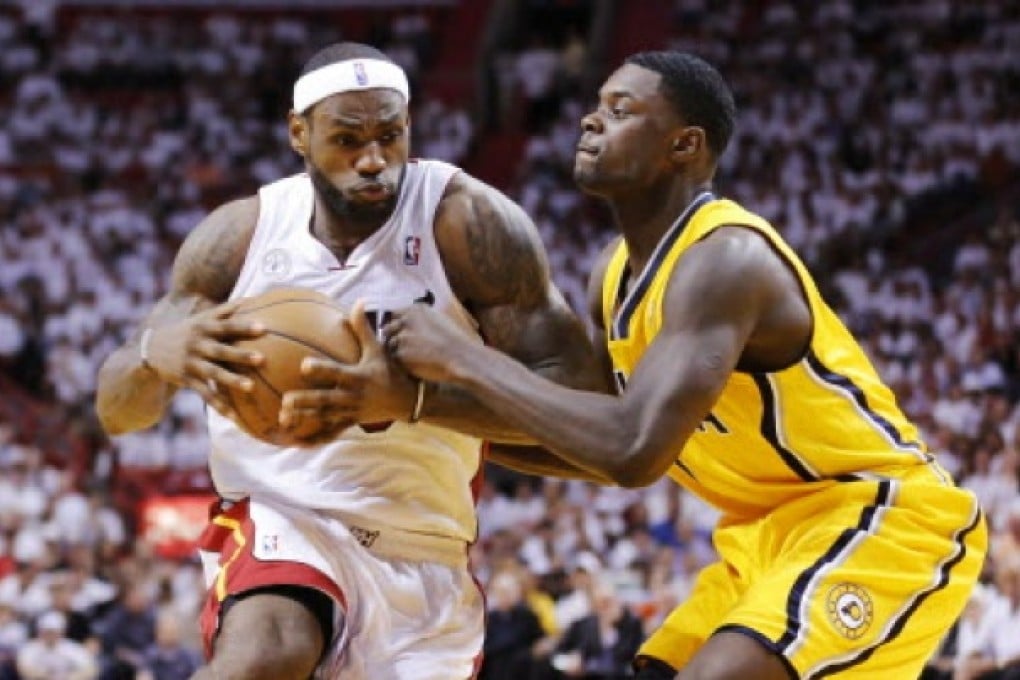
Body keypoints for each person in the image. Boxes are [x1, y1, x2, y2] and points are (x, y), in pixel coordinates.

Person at [382, 51, 988, 679]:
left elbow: (632, 448)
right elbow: (585, 445)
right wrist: (411, 405)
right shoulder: (612, 276)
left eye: (621, 111)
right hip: (764, 533)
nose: (591, 121)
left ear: (684, 145)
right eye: (595, 106)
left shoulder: (725, 261)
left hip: (882, 515)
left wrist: (461, 360)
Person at [95, 42, 602, 680]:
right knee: (265, 655)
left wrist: (413, 401)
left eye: (391, 136)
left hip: (426, 543)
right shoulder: (239, 238)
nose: (373, 160)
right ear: (299, 134)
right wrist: (152, 355)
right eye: (347, 139)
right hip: (282, 513)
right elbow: (117, 412)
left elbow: (583, 413)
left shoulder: (468, 224)